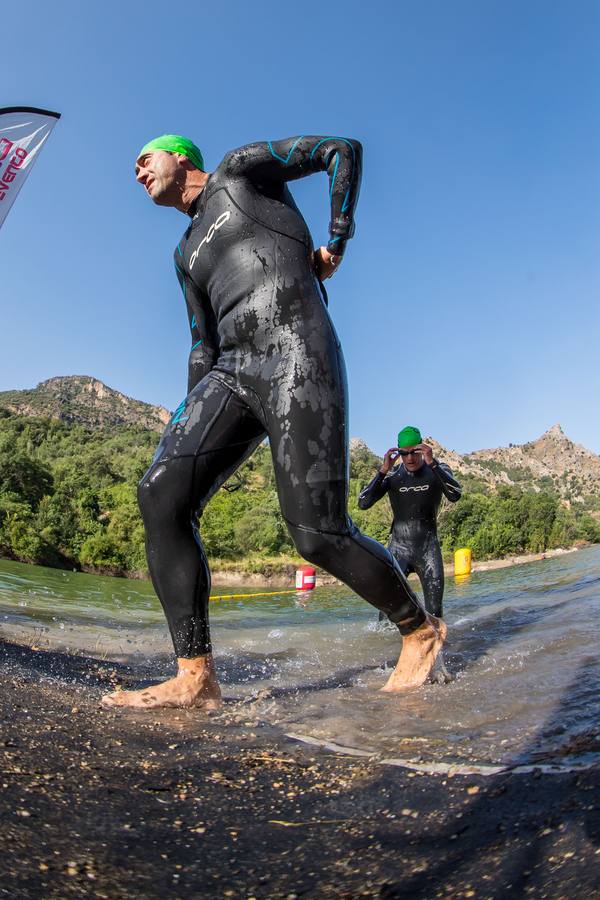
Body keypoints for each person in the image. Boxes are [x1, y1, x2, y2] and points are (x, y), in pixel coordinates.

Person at [102, 134, 445, 710]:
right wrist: (187, 427)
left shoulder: (240, 174)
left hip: (295, 350)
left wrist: (336, 239)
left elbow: (341, 149)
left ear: (180, 155)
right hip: (231, 371)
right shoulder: (184, 252)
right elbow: (200, 345)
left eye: (145, 157)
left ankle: (420, 630)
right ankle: (195, 678)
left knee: (317, 535)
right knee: (161, 492)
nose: (136, 170)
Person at [358, 426, 461, 680]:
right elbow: (363, 502)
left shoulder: (438, 470)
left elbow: (455, 494)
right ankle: (387, 663)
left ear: (422, 449)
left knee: (435, 611)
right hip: (399, 550)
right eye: (404, 454)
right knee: (386, 613)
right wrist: (382, 470)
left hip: (427, 550)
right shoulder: (393, 476)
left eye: (414, 453)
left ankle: (436, 666)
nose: (410, 459)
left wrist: (434, 464)